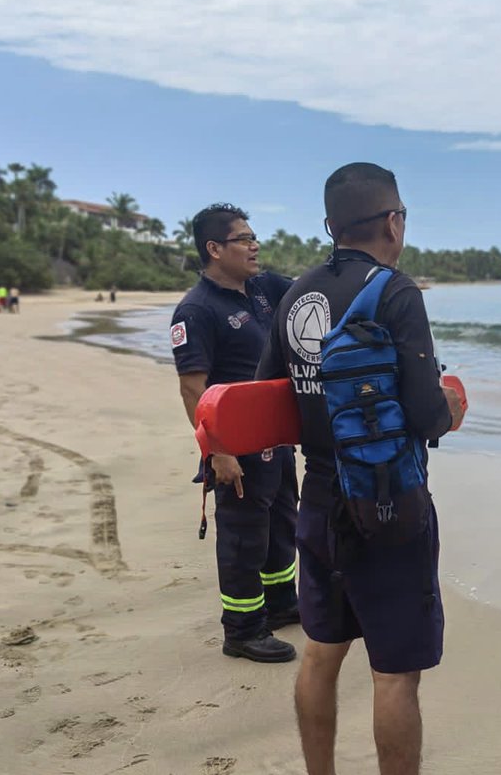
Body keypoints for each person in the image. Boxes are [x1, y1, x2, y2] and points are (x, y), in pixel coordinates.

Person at [255, 163, 464, 775]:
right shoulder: (396, 292)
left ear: (330, 225)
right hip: (388, 504)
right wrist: (448, 404)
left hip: (317, 500)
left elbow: (271, 397)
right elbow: (428, 416)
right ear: (393, 222)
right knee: (395, 675)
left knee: (321, 652)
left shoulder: (295, 294)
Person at [171, 203, 301, 664]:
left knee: (282, 524)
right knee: (244, 537)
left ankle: (282, 604)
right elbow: (192, 389)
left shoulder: (264, 290)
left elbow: (312, 292)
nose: (254, 245)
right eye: (243, 239)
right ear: (214, 249)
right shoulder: (196, 310)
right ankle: (243, 630)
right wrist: (219, 452)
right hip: (236, 448)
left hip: (276, 439)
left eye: (253, 237)